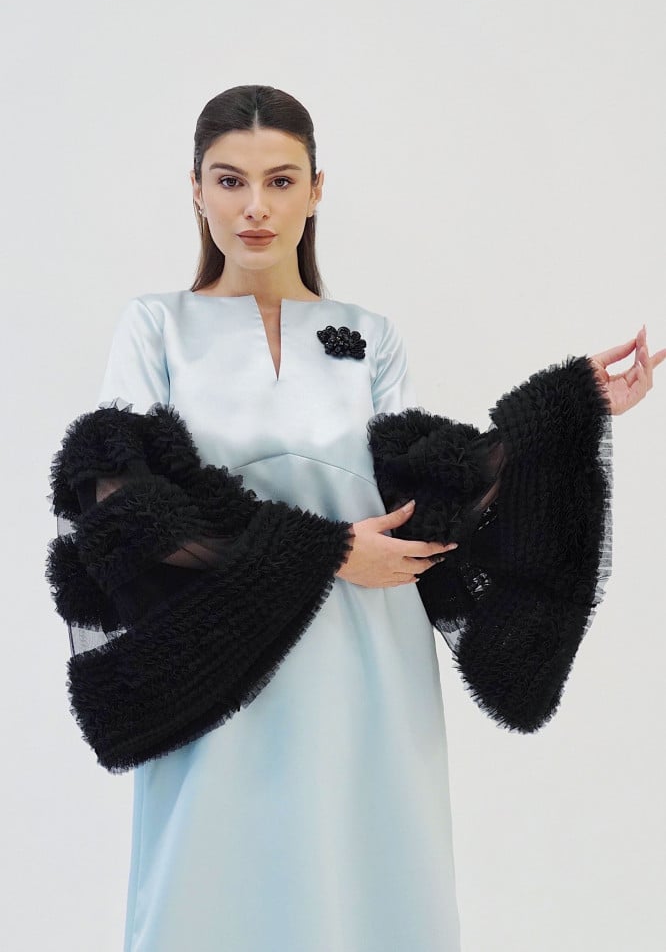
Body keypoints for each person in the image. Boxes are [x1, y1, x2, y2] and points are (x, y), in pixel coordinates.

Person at [46, 85, 665, 952]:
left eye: (280, 180)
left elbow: (431, 497)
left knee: (367, 884)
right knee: (208, 883)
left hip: (367, 657)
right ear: (195, 190)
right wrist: (327, 550)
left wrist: (566, 409)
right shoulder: (156, 326)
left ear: (316, 189)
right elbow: (122, 504)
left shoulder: (369, 336)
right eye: (229, 180)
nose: (255, 207)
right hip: (219, 659)